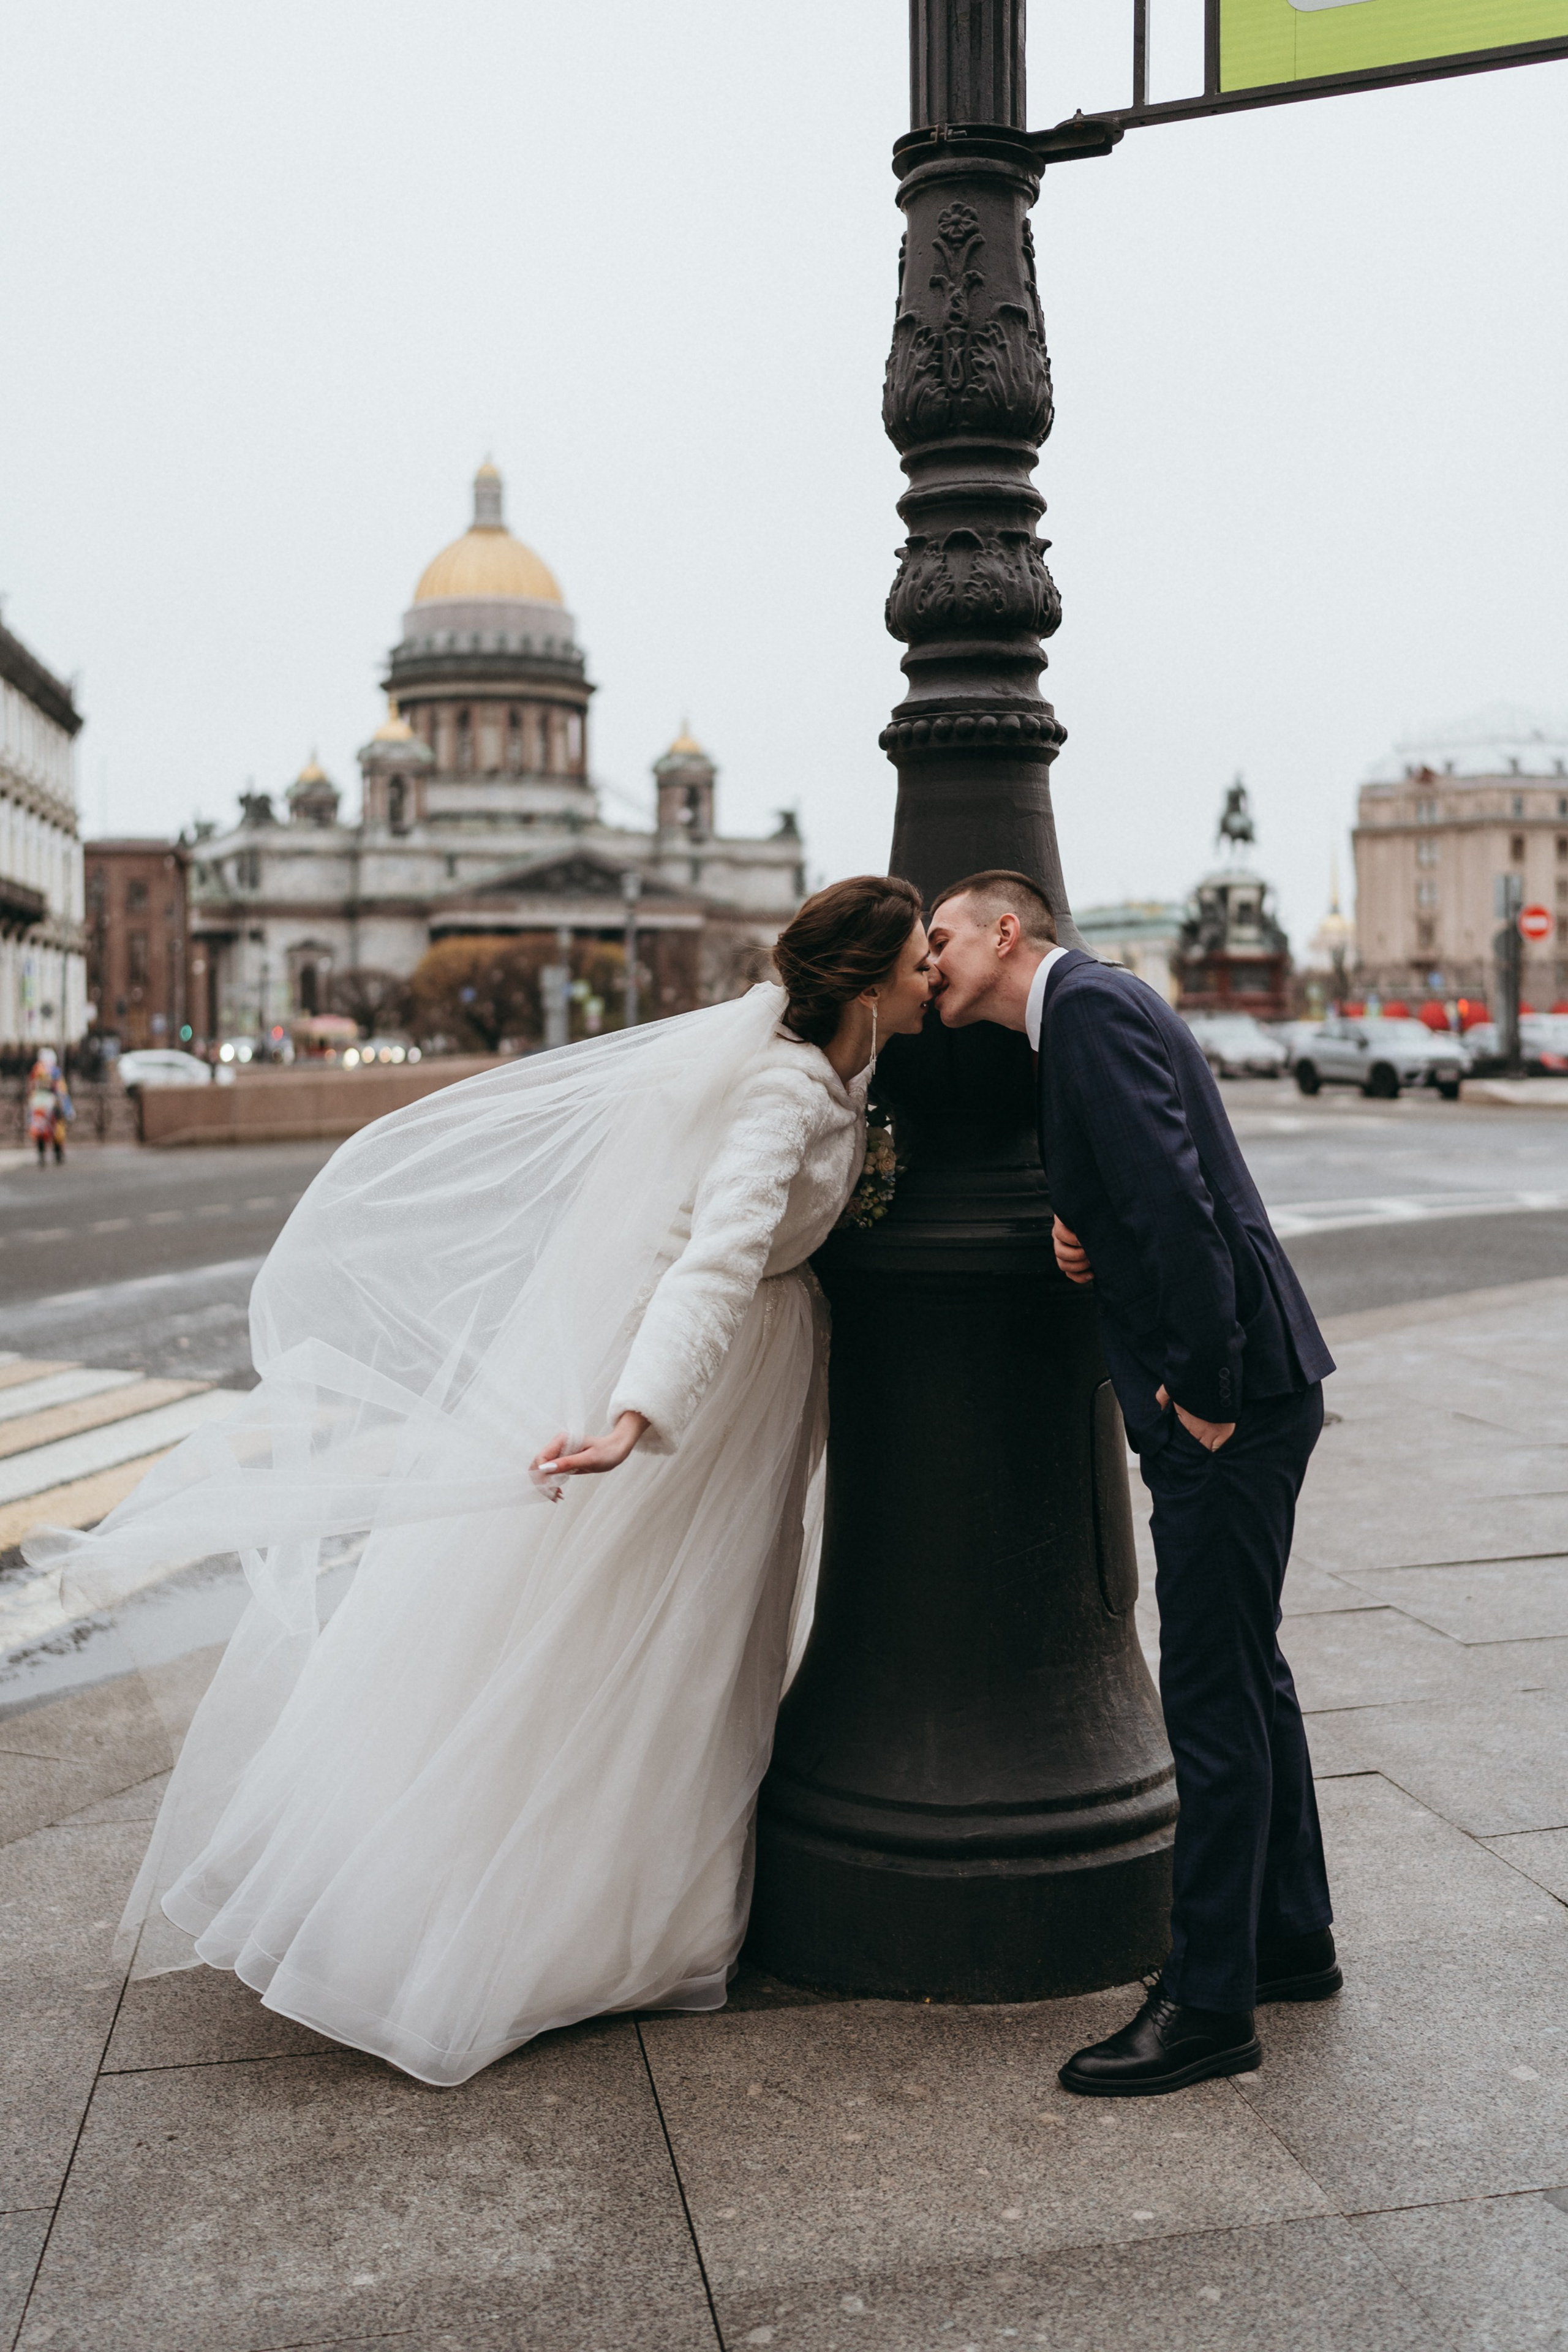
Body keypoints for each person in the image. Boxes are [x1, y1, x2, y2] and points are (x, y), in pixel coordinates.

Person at [25, 878, 932, 2087]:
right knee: (654, 1643)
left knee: (683, 1637)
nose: (935, 978)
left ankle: (627, 1896)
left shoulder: (822, 1073)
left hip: (740, 1389)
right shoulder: (778, 1090)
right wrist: (634, 1418)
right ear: (867, 984)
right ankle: (570, 1920)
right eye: (921, 960)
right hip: (696, 1400)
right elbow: (715, 1258)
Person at [926, 869, 1338, 2098]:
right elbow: (1146, 1185)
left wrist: (1200, 1391)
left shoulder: (1089, 1012)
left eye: (938, 937)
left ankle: (1208, 2003)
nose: (927, 960)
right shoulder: (1094, 1013)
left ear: (1007, 931)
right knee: (1244, 1669)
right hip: (1251, 1387)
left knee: (1209, 1696)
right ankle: (1288, 1936)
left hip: (1227, 1398)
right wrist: (1082, 1225)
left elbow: (1177, 1208)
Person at [28, 1050, 71, 1166]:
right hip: (47, 1105)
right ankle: (54, 1154)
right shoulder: (49, 1071)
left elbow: (32, 1090)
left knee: (49, 1130)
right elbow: (62, 1091)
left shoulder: (38, 1070)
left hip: (43, 1105)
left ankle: (49, 1154)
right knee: (51, 1130)